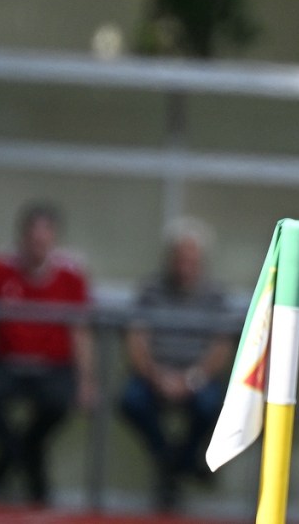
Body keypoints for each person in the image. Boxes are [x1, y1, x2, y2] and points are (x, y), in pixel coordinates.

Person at [0, 201, 97, 505]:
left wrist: (86, 380)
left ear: (54, 239)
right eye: (32, 237)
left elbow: (80, 332)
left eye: (45, 237)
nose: (38, 244)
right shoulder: (0, 266)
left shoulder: (71, 275)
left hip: (53, 366)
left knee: (58, 402)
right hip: (5, 361)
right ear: (22, 237)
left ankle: (12, 460)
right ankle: (25, 458)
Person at [119, 217, 233, 511]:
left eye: (191, 260)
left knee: (212, 405)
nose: (185, 266)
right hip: (154, 375)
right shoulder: (150, 290)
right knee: (131, 401)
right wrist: (156, 376)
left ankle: (174, 464)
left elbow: (221, 347)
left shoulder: (215, 295)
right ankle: (174, 460)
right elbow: (136, 339)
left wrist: (191, 379)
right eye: (180, 259)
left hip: (198, 378)